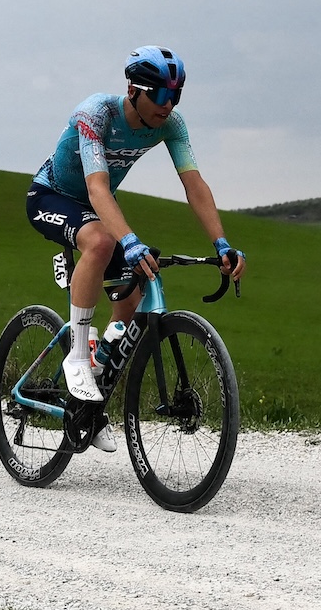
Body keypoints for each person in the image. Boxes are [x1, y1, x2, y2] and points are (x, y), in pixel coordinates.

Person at [25, 48, 244, 402]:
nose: (167, 104)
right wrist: (127, 239)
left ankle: (96, 374)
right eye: (158, 94)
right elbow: (96, 187)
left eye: (175, 95)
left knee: (133, 291)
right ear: (132, 91)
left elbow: (194, 184)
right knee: (100, 242)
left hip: (97, 206)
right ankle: (78, 357)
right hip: (51, 196)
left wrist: (221, 243)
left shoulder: (171, 125)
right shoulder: (97, 113)